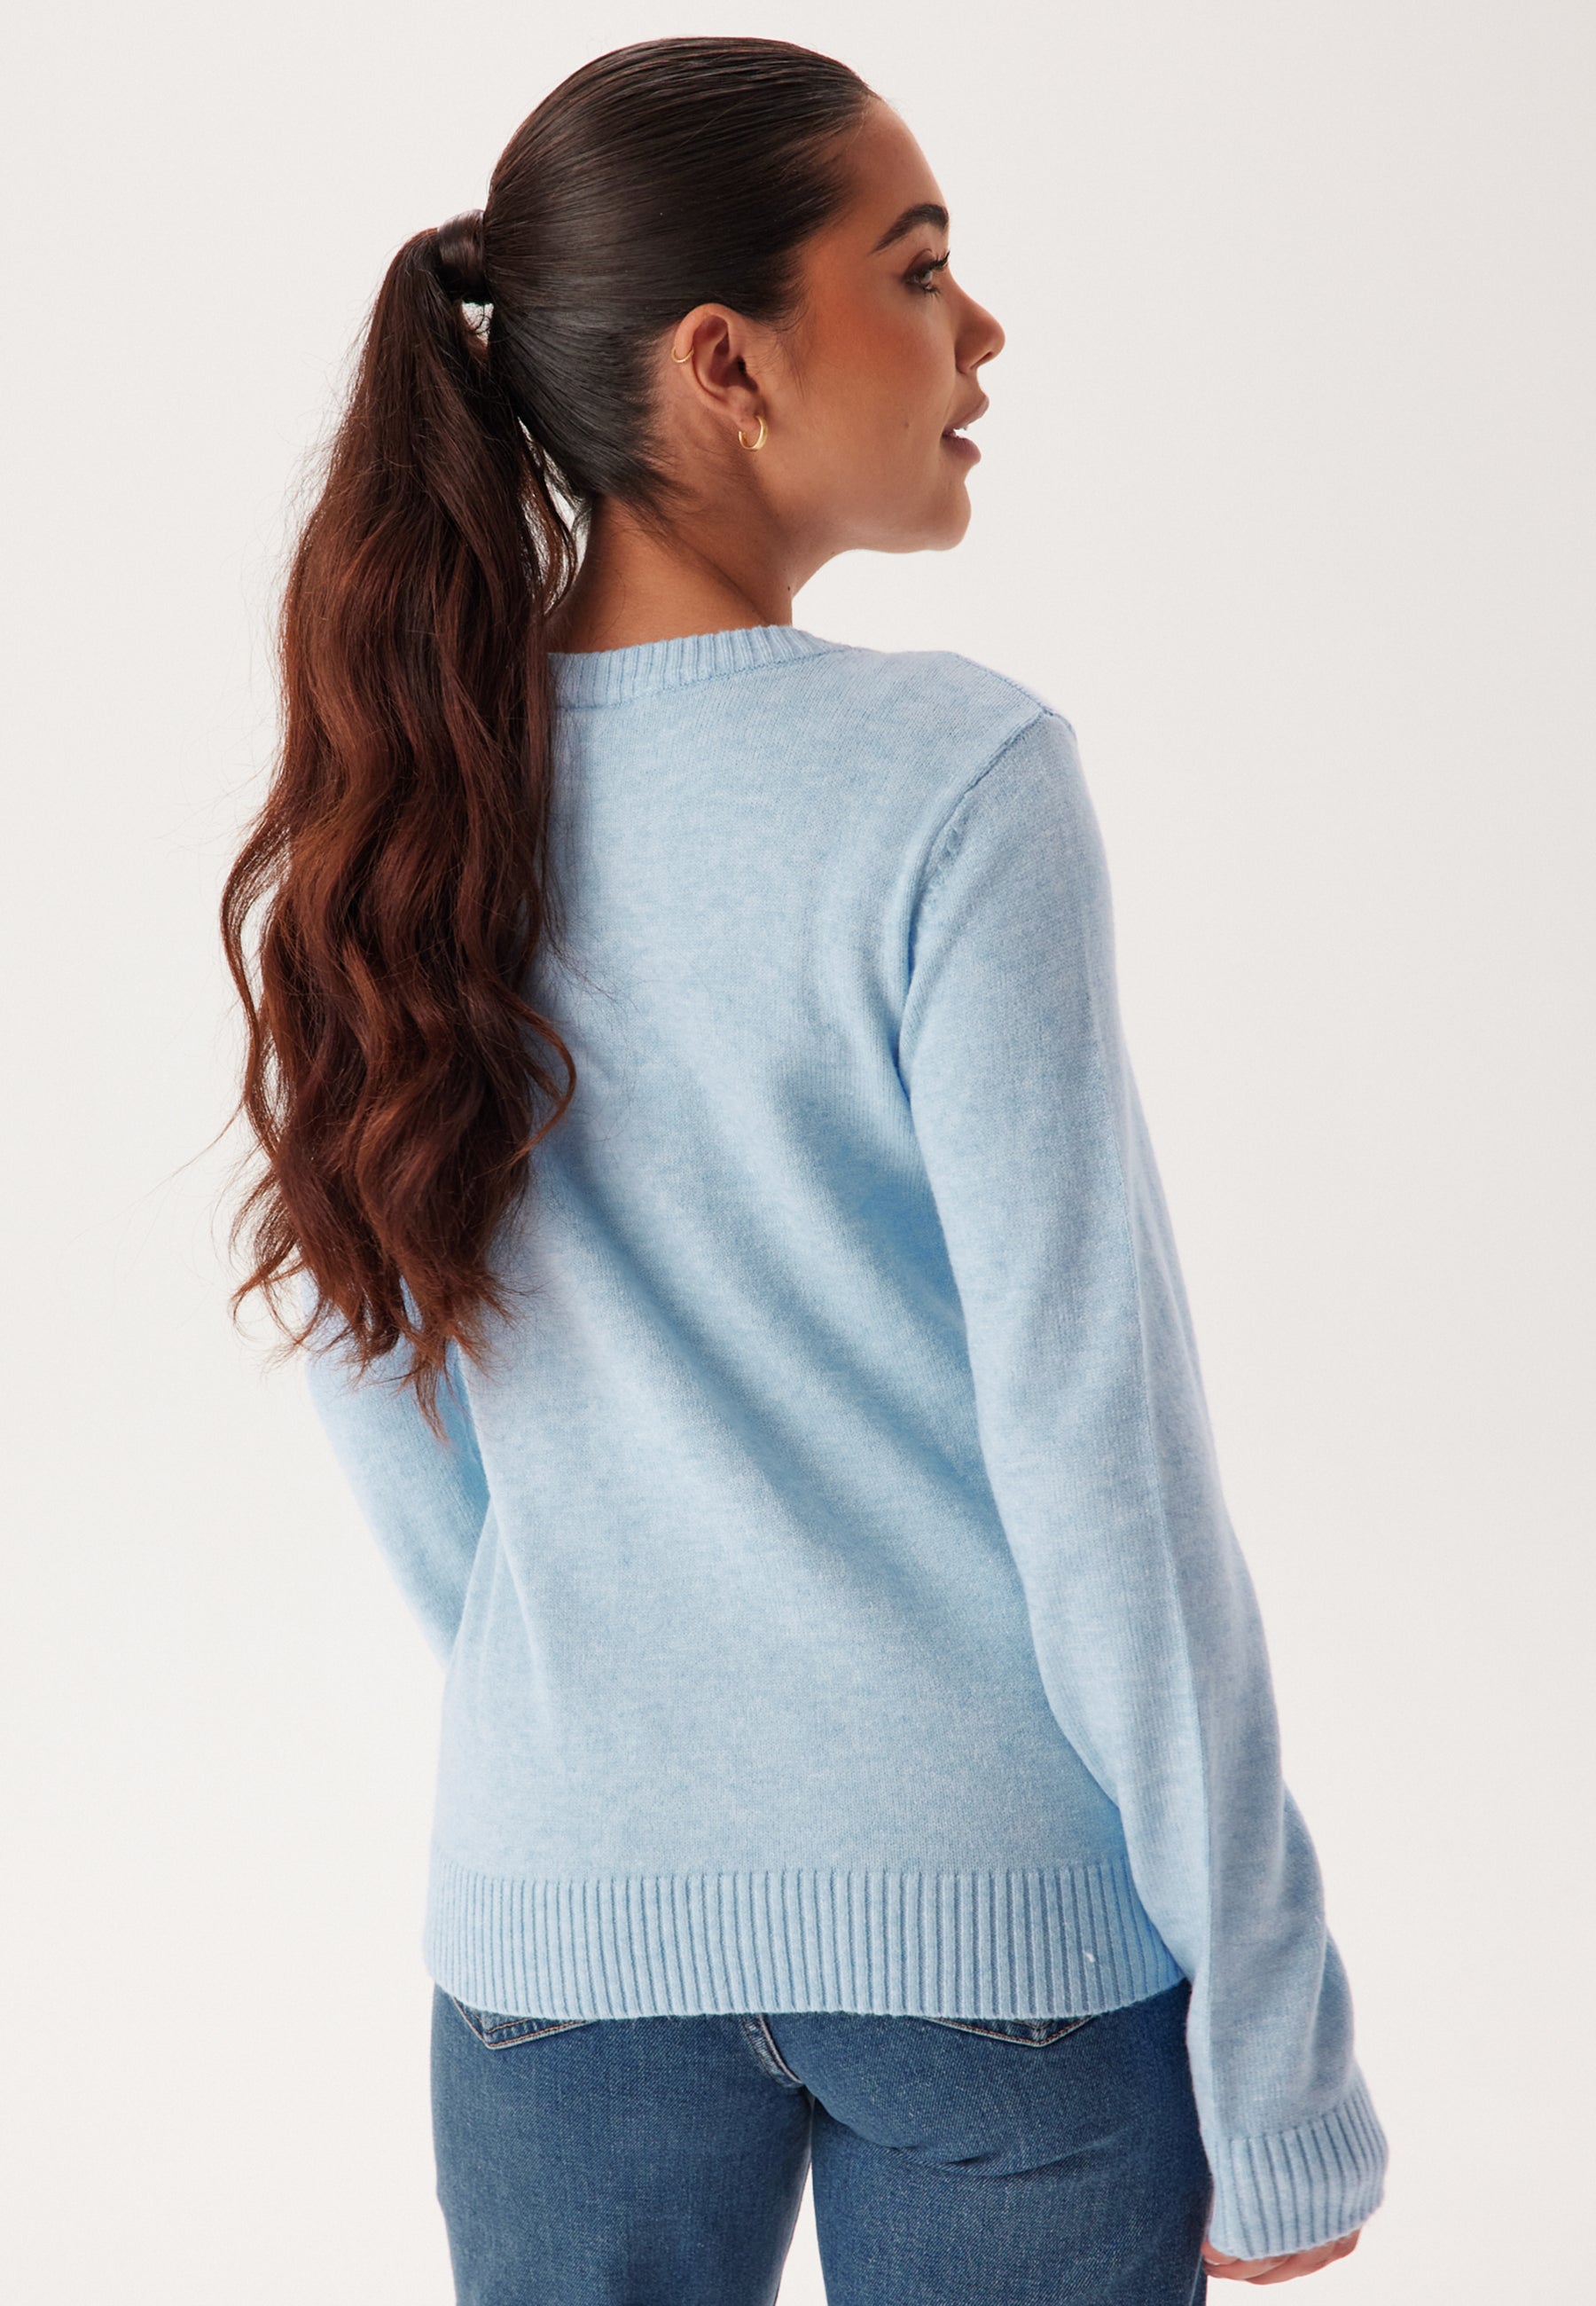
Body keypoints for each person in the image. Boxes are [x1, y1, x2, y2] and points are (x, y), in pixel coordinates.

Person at [221, 35, 1387, 2305]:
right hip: (997, 1932)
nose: (983, 332)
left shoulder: (398, 800)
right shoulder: (955, 783)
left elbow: (382, 1385)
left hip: (557, 1930)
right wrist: (1276, 2039)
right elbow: (1099, 1454)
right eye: (921, 270)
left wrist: (607, 1709)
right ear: (727, 363)